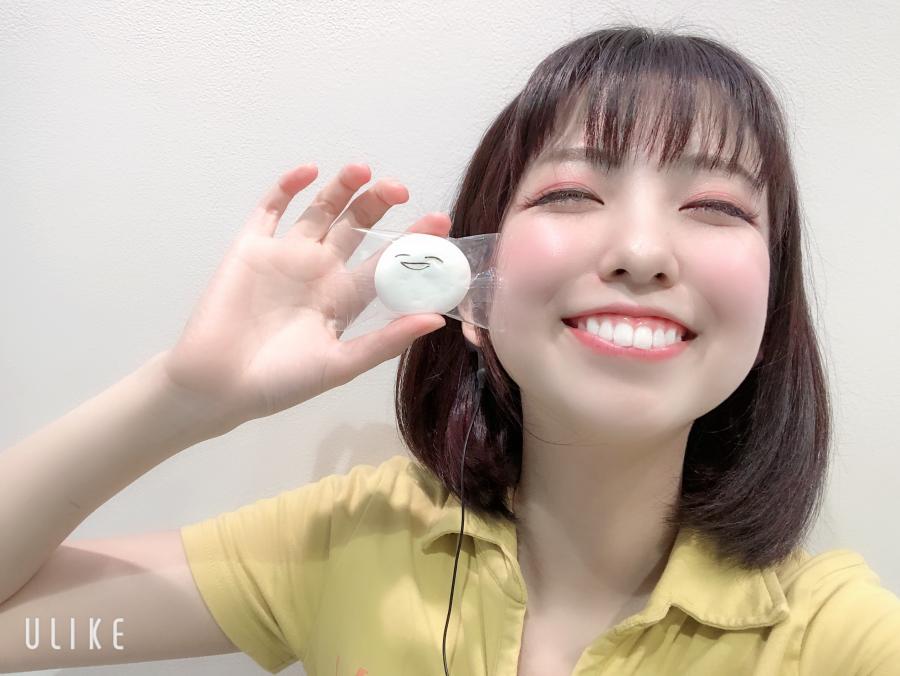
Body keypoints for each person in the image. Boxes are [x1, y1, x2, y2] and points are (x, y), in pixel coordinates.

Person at [1, 24, 899, 676]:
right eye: (571, 194)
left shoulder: (836, 640)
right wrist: (182, 397)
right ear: (474, 294)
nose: (641, 250)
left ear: (770, 309)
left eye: (716, 207)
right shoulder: (349, 542)